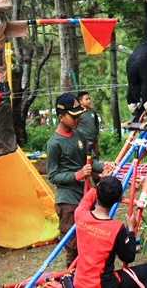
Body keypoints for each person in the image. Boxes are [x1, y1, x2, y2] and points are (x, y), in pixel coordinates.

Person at [72, 176, 147, 288]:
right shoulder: (115, 228)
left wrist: (103, 182)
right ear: (119, 200)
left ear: (97, 194)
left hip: (79, 282)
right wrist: (131, 230)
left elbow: (90, 195)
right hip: (102, 285)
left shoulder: (80, 214)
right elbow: (128, 257)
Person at [47, 93, 107, 266]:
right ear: (60, 117)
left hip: (86, 197)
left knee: (90, 243)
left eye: (79, 114)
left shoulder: (78, 135)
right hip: (68, 202)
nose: (78, 119)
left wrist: (104, 167)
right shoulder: (54, 144)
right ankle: (72, 279)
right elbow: (53, 175)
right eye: (73, 116)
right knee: (74, 246)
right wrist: (76, 175)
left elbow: (87, 162)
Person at [76, 91, 101, 159]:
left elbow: (96, 124)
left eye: (89, 99)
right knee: (86, 161)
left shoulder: (92, 112)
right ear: (80, 101)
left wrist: (96, 137)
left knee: (96, 159)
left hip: (94, 142)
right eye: (86, 99)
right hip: (84, 143)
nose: (89, 101)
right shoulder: (77, 113)